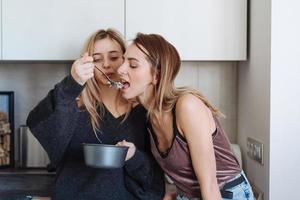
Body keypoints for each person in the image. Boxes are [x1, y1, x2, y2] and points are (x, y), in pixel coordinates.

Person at [26, 29, 165, 200]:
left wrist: (134, 157)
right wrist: (72, 83)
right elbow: (37, 121)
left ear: (126, 60)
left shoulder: (144, 113)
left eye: (114, 57)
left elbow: (155, 181)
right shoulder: (73, 108)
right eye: (97, 59)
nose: (106, 65)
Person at [117, 33, 256, 200]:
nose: (120, 69)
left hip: (224, 194)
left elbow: (210, 186)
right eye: (124, 61)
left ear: (157, 76)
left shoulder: (187, 106)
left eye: (132, 65)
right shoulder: (147, 117)